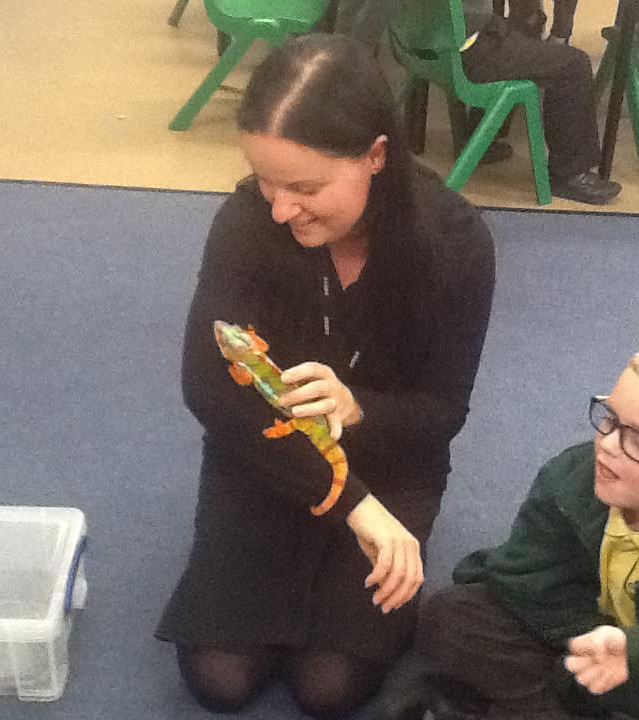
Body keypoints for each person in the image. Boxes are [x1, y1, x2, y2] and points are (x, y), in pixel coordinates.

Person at [155, 33, 495, 719]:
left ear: (376, 156)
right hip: (266, 454)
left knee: (329, 689)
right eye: (265, 180)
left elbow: (442, 411)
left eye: (306, 187)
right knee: (221, 679)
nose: (281, 209)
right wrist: (355, 506)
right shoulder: (247, 222)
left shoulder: (455, 242)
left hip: (388, 461)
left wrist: (359, 407)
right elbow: (209, 388)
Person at [378, 354, 639, 720]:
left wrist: (631, 654)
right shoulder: (573, 478)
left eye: (636, 441)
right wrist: (587, 646)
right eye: (609, 419)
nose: (607, 445)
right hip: (586, 635)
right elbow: (521, 585)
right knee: (451, 616)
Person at [334, 0, 621, 206]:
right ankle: (569, 173)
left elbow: (359, 21)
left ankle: (479, 136)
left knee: (520, 30)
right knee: (573, 65)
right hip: (469, 51)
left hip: (421, 50)